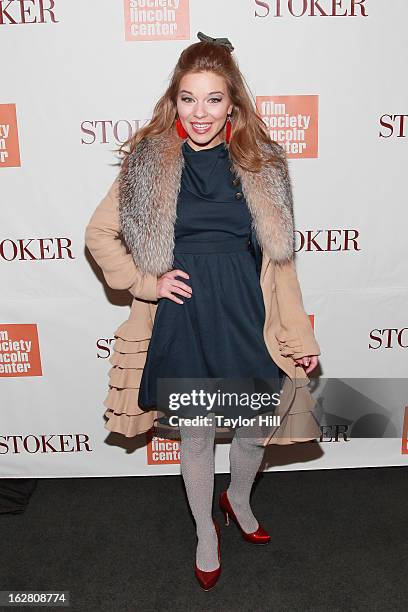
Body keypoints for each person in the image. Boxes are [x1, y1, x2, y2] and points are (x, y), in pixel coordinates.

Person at [85, 31, 321, 591]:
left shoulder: (263, 165)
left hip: (247, 315)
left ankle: (236, 497)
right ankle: (205, 532)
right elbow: (100, 234)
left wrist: (297, 334)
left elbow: (280, 264)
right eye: (188, 98)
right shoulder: (149, 164)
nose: (200, 112)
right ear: (175, 101)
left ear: (232, 103)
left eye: (213, 98)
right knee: (195, 436)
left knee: (254, 428)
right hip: (185, 320)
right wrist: (147, 283)